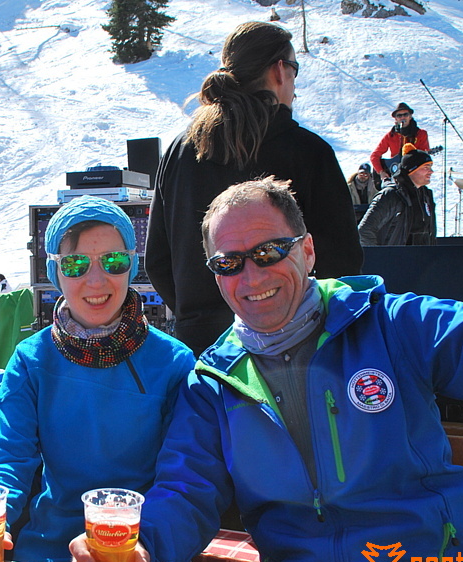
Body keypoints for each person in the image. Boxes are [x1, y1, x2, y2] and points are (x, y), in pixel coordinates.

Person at [69, 176, 463, 562]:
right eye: (229, 262)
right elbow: (186, 491)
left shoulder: (388, 325)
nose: (252, 276)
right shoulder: (213, 383)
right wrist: (142, 546)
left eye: (269, 252)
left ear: (306, 251)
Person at [0, 196, 194, 562]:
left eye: (113, 261)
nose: (96, 280)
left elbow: (183, 478)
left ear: (132, 264)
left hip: (135, 556)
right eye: (76, 264)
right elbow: (10, 459)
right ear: (54, 272)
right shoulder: (32, 359)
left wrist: (145, 546)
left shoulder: (172, 363)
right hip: (48, 553)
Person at [145, 21, 362, 357]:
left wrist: (198, 312)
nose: (294, 85)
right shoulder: (308, 151)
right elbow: (342, 264)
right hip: (297, 350)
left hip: (204, 351)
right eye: (294, 70)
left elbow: (158, 261)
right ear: (279, 70)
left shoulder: (180, 150)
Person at [358, 143, 436, 246]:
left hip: (423, 259)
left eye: (430, 167)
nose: (431, 171)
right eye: (426, 167)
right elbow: (364, 231)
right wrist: (381, 257)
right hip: (395, 260)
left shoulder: (426, 195)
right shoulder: (391, 195)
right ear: (411, 170)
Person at [369, 102, 431, 180]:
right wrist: (381, 172)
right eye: (399, 115)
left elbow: (424, 156)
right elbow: (374, 156)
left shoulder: (421, 134)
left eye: (405, 114)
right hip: (395, 174)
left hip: (414, 174)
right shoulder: (390, 135)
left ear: (410, 116)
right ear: (396, 118)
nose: (402, 118)